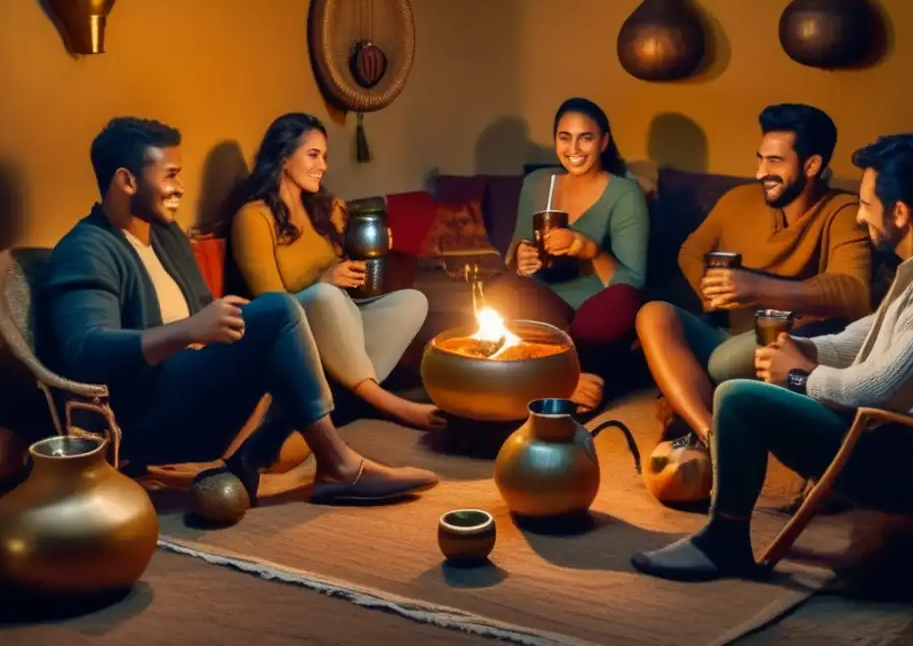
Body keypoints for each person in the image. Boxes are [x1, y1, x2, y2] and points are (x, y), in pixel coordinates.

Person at [632, 133, 913, 582]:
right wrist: (804, 349)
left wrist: (797, 376)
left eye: (867, 204)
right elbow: (861, 339)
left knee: (738, 398)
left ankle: (722, 544)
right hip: (890, 436)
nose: (862, 215)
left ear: (901, 213)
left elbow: (877, 392)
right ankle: (723, 534)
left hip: (908, 462)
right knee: (746, 377)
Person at [40, 117, 438, 507]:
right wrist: (191, 329)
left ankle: (258, 452)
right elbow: (86, 350)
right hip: (144, 414)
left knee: (275, 329)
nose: (180, 187)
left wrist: (222, 321)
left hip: (192, 383)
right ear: (127, 181)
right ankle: (335, 464)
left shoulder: (165, 236)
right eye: (170, 175)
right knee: (280, 309)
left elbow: (201, 314)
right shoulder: (86, 250)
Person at [637, 103, 872, 455]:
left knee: (721, 363)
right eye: (760, 159)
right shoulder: (738, 200)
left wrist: (754, 287)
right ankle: (709, 434)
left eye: (775, 161)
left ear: (812, 165)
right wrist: (710, 292)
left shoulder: (843, 211)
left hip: (780, 342)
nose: (761, 172)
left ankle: (685, 407)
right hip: (722, 332)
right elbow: (691, 250)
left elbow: (853, 291)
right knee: (653, 314)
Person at [228, 113, 440, 431]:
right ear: (284, 158)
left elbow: (357, 282)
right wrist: (324, 281)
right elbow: (273, 307)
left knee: (413, 301)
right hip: (292, 335)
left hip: (341, 326)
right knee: (326, 295)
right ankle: (386, 403)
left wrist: (375, 245)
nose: (323, 165)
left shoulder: (325, 210)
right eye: (313, 155)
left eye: (324, 157)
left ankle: (346, 398)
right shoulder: (253, 217)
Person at [483, 97, 650, 412]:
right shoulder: (537, 183)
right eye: (565, 137)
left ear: (603, 142)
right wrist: (520, 257)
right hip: (546, 307)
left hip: (595, 313)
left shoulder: (624, 194)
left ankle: (546, 370)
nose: (574, 148)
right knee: (501, 290)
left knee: (623, 300)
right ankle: (575, 376)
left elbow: (632, 281)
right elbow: (517, 244)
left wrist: (589, 249)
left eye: (585, 137)